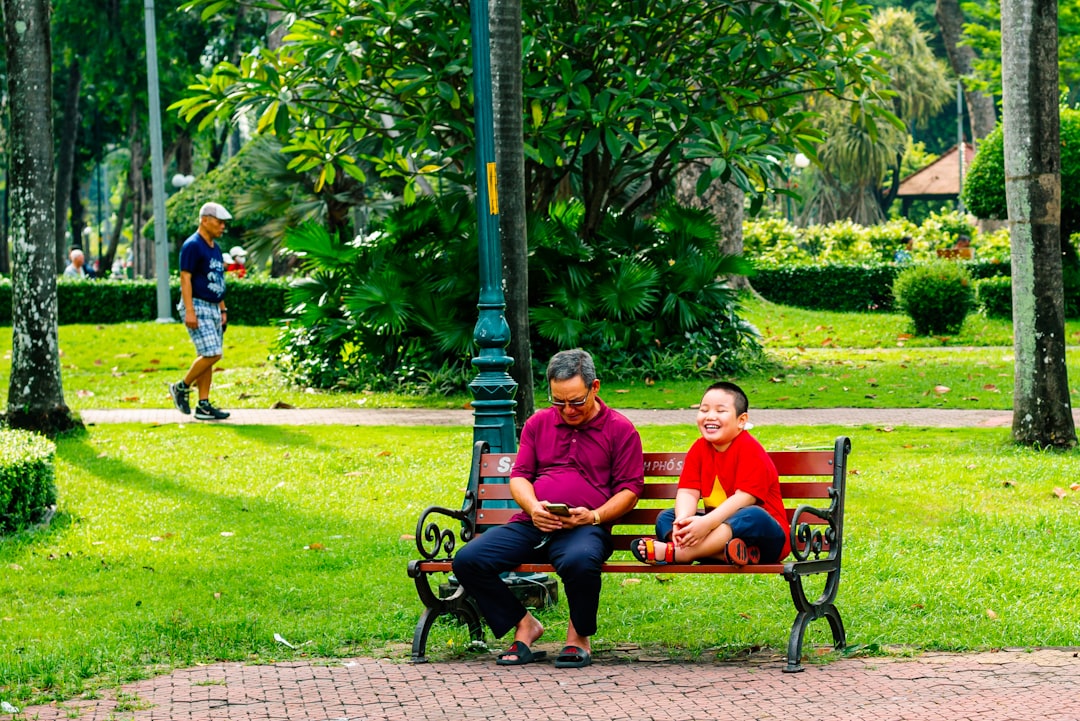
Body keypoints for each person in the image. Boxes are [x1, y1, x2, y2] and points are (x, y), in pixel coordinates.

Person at [452, 349, 644, 669]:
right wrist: (533, 507)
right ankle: (525, 625)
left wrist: (593, 516)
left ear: (594, 387)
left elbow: (631, 490)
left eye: (576, 401)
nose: (567, 409)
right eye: (559, 401)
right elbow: (520, 477)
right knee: (469, 560)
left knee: (580, 561)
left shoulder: (620, 429)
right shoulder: (539, 423)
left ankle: (578, 637)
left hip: (584, 528)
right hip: (533, 522)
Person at [631, 381, 790, 568]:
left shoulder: (750, 449)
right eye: (704, 410)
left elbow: (744, 499)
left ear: (741, 420)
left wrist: (706, 523)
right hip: (721, 532)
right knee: (666, 518)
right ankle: (726, 553)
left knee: (753, 514)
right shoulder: (699, 449)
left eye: (720, 411)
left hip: (766, 537)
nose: (710, 416)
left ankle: (679, 553)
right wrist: (682, 522)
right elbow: (688, 491)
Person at [168, 202, 232, 421]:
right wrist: (189, 310)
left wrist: (223, 310)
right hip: (197, 304)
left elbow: (218, 280)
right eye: (219, 222)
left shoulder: (215, 248)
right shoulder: (192, 245)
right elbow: (185, 278)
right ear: (205, 220)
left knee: (207, 356)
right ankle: (181, 387)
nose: (222, 226)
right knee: (212, 353)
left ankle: (203, 405)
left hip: (213, 306)